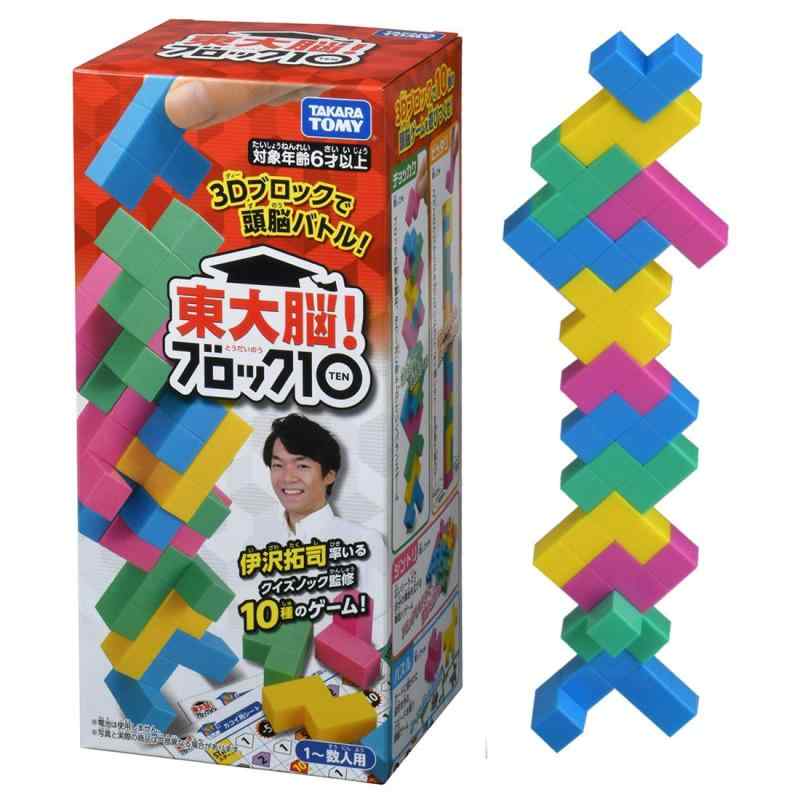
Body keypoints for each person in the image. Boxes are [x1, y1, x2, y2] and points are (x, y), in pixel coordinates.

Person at [262, 413, 388, 649]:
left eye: (302, 466)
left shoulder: (362, 543)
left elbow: (381, 635)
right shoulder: (257, 543)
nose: (287, 477)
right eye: (277, 465)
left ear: (329, 475)